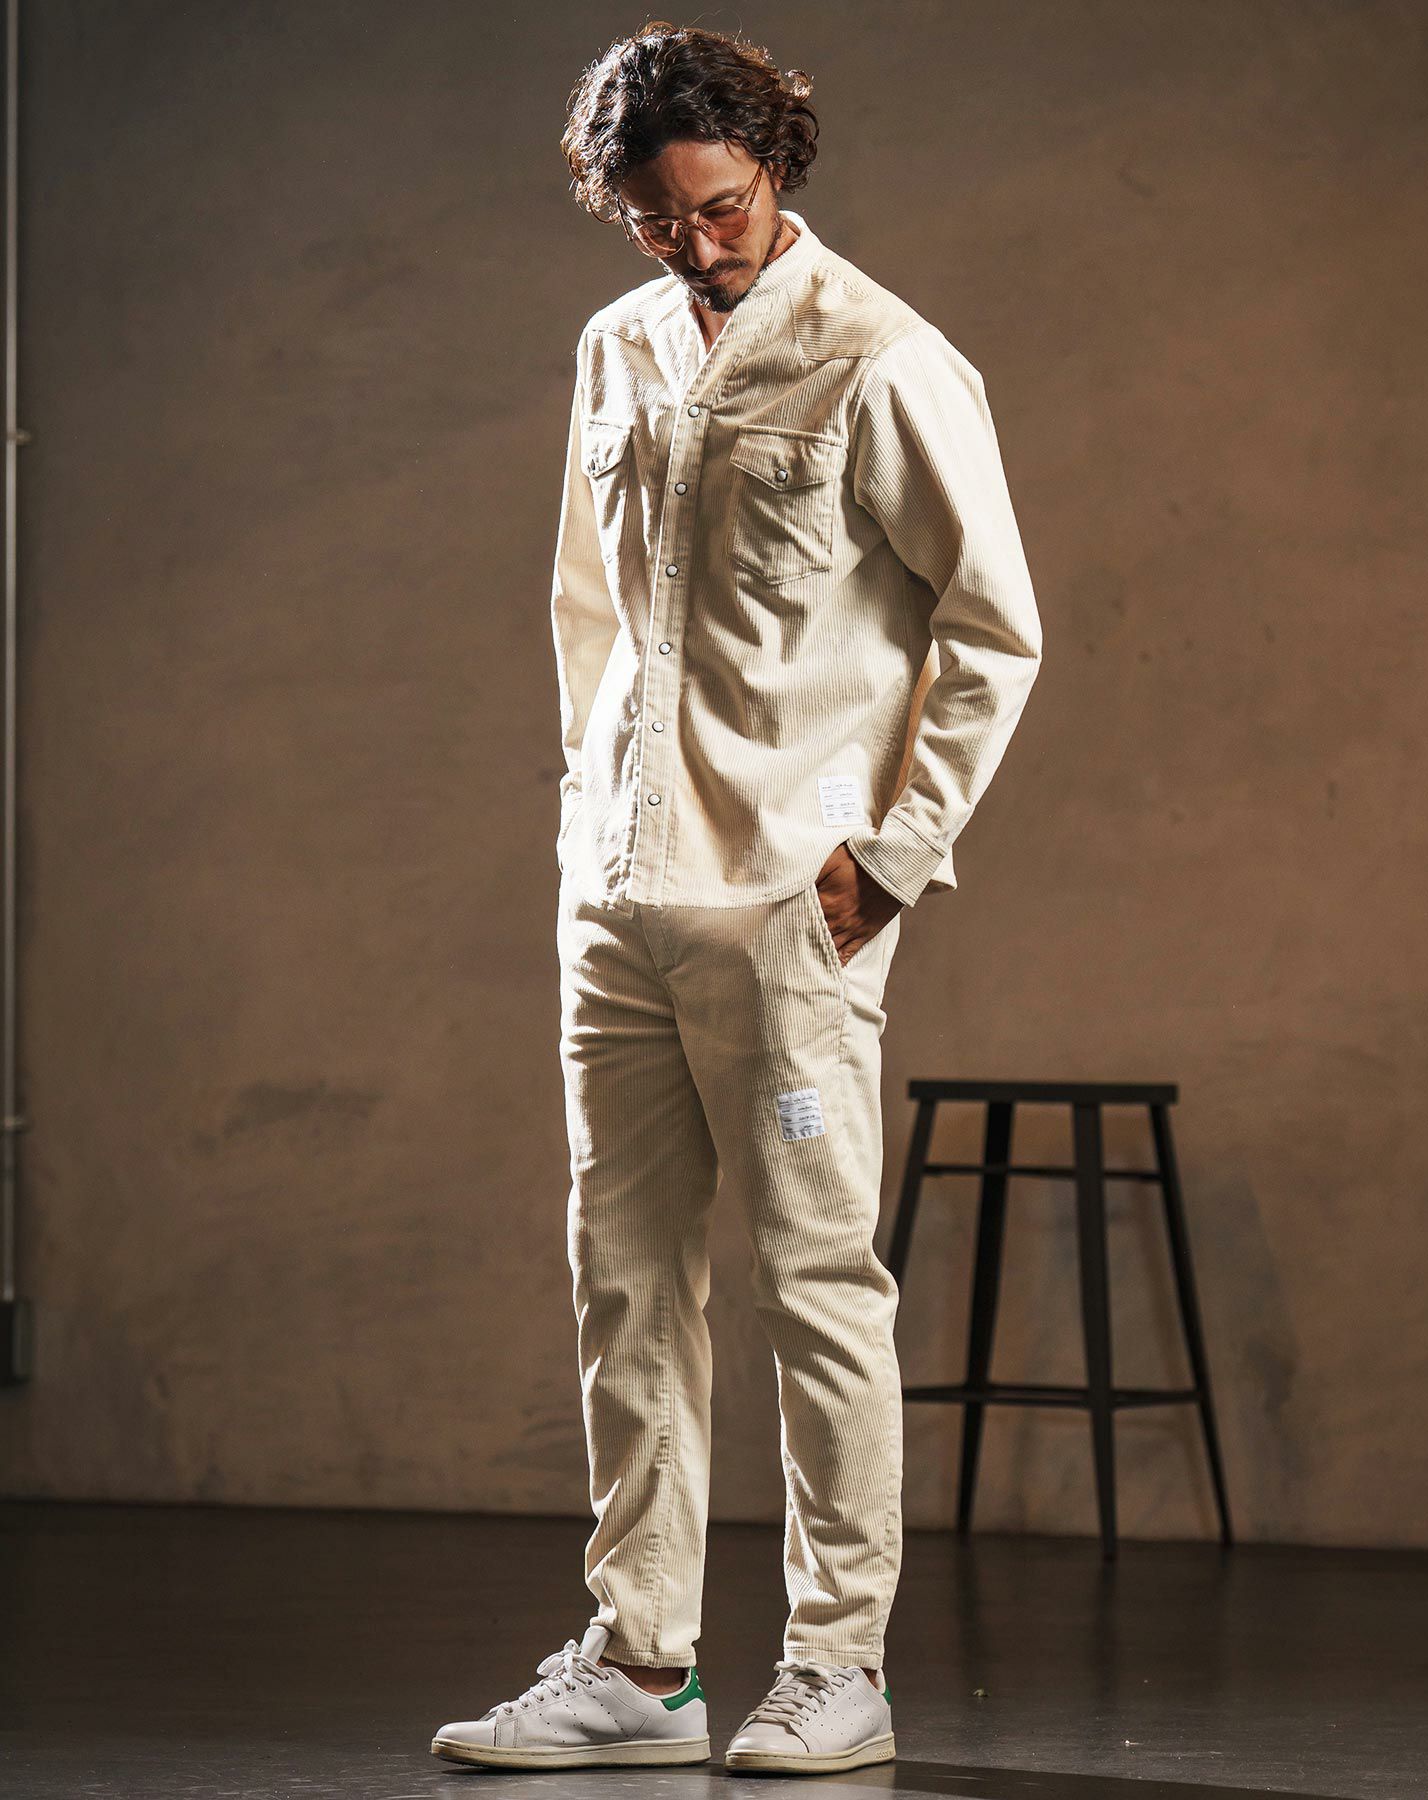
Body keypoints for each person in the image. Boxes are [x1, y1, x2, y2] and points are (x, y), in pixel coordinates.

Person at [432, 18, 1043, 1777]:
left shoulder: (883, 358)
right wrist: (587, 812)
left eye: (720, 208)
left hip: (792, 901)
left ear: (776, 166)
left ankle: (839, 1665)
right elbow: (589, 610)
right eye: (656, 219)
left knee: (814, 1278)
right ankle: (645, 1665)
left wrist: (892, 856)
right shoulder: (615, 347)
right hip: (619, 898)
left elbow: (995, 631)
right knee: (624, 1277)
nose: (694, 246)